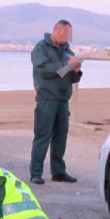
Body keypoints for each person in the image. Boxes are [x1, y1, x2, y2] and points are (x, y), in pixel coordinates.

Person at [29, 20, 83, 185]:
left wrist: (76, 70)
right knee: (43, 135)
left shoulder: (68, 51)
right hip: (46, 98)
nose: (69, 38)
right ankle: (36, 172)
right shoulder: (40, 48)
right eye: (67, 34)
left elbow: (72, 78)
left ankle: (58, 171)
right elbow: (43, 70)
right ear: (57, 31)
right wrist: (65, 65)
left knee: (61, 136)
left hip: (63, 99)